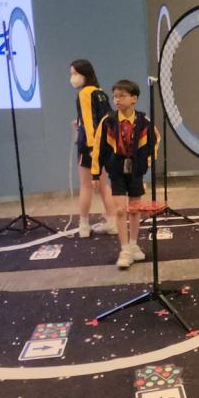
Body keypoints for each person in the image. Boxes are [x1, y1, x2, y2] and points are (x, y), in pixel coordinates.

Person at [91, 80, 159, 269]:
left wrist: (147, 162)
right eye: (115, 96)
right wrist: (95, 173)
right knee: (120, 210)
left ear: (134, 99)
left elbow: (155, 141)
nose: (117, 100)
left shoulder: (144, 121)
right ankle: (125, 249)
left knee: (135, 209)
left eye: (122, 96)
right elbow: (97, 147)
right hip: (116, 170)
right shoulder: (108, 121)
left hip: (135, 170)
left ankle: (134, 244)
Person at [70, 59, 117, 238]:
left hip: (89, 146)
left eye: (75, 73)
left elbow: (90, 123)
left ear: (85, 74)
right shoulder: (101, 93)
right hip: (103, 144)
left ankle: (83, 225)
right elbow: (106, 120)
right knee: (104, 185)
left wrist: (91, 148)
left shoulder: (85, 93)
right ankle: (112, 222)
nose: (72, 78)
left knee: (86, 186)